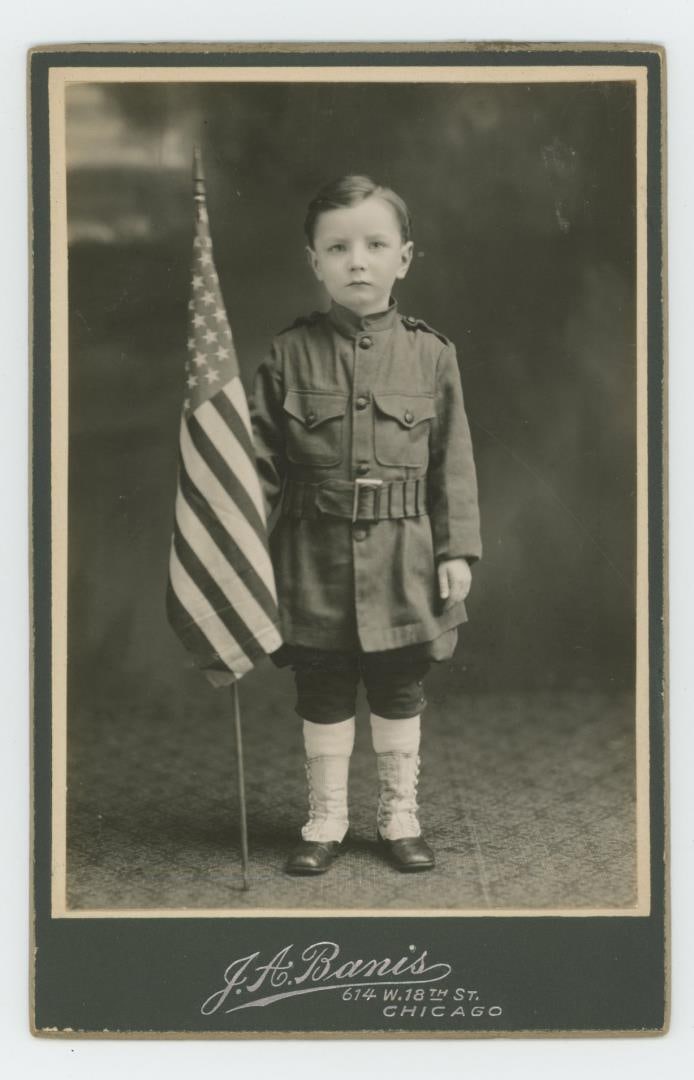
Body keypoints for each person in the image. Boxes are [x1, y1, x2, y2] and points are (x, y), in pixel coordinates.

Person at [251, 174, 481, 876]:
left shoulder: (430, 354)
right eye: (339, 247)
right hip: (312, 555)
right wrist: (245, 553)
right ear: (313, 261)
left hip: (404, 556)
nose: (358, 261)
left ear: (403, 258)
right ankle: (325, 819)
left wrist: (458, 551)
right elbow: (255, 460)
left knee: (398, 684)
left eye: (375, 245)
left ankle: (398, 818)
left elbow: (453, 461)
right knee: (320, 685)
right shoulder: (287, 355)